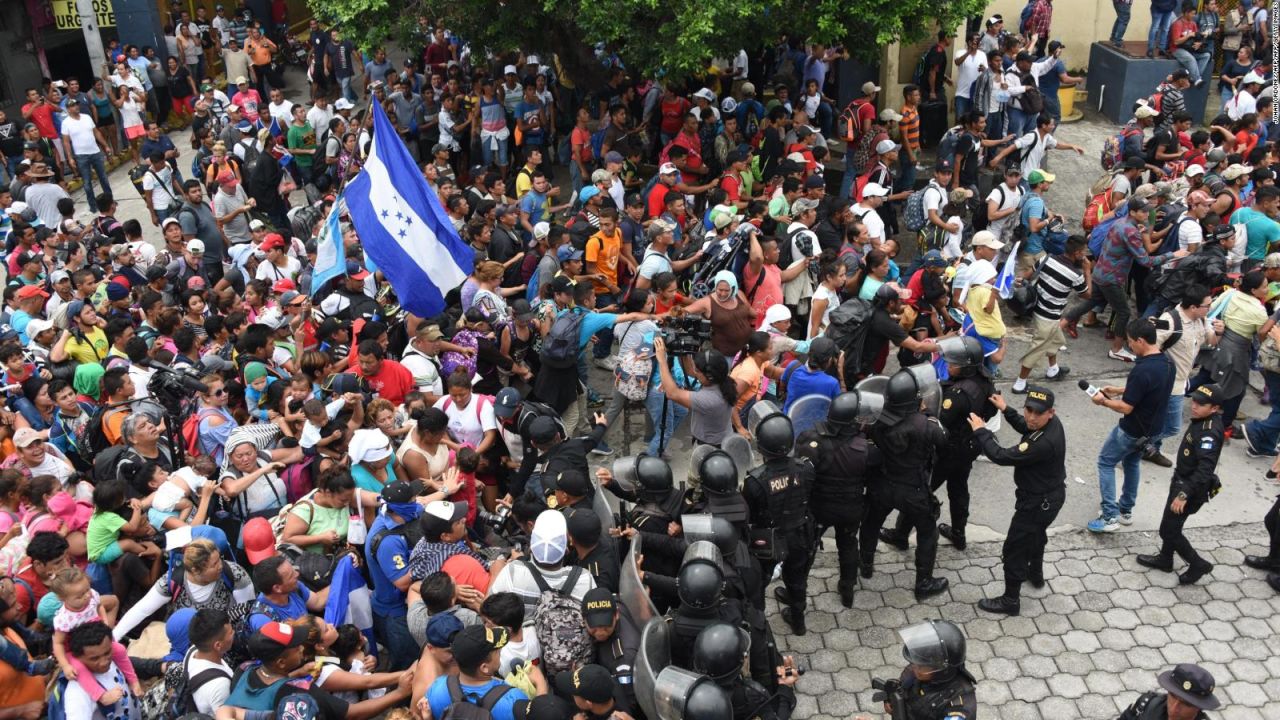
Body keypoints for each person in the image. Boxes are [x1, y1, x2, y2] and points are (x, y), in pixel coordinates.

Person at [965, 386, 1066, 615]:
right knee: (1037, 536)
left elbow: (1001, 456)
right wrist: (1007, 409)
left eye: (1037, 413)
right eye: (1028, 409)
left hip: (1036, 503)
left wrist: (982, 432)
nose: (1031, 416)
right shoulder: (1048, 424)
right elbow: (1026, 426)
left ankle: (1010, 600)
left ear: (1051, 412)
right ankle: (1035, 575)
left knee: (1015, 548)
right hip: (1049, 498)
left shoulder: (1042, 443)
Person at [1087, 319, 1177, 534]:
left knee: (1105, 463)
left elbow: (1127, 408)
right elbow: (1149, 390)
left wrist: (1104, 401)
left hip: (1131, 430)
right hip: (1153, 430)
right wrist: (1119, 389)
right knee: (1132, 463)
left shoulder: (1142, 369)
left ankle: (1109, 516)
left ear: (1141, 340)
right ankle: (1125, 510)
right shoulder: (1168, 362)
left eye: (1130, 342)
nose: (1129, 346)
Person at [1117, 663, 1221, 718]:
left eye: (1186, 704)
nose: (1174, 709)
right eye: (1173, 696)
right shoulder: (1147, 704)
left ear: (1199, 707)